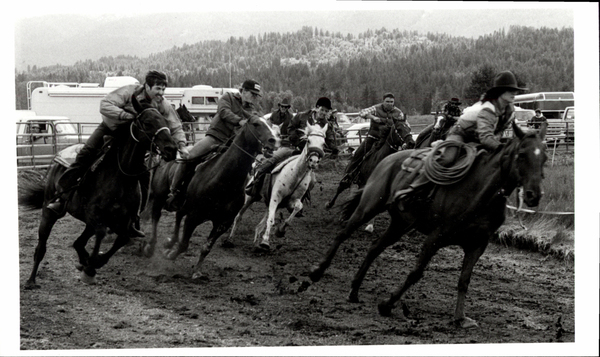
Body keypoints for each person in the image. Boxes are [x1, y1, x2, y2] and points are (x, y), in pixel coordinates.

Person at [47, 71, 189, 236]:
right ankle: (61, 197)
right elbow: (105, 104)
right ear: (147, 86)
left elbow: (175, 125)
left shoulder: (162, 104)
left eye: (164, 89)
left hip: (132, 138)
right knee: (86, 154)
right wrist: (127, 116)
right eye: (158, 88)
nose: (161, 93)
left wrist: (182, 145)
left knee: (144, 175)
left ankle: (133, 219)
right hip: (110, 128)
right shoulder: (128, 92)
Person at [396, 70, 528, 201]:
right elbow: (486, 137)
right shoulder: (488, 109)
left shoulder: (509, 110)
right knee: (448, 158)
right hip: (461, 134)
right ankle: (415, 187)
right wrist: (503, 148)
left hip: (480, 138)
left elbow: (499, 133)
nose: (514, 93)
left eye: (515, 90)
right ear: (500, 92)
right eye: (510, 90)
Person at [165, 79, 263, 211]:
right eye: (253, 94)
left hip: (232, 144)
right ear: (243, 91)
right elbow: (223, 112)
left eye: (257, 95)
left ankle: (236, 199)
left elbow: (255, 122)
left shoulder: (252, 110)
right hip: (215, 137)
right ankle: (174, 191)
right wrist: (239, 121)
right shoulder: (228, 97)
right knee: (189, 157)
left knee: (243, 170)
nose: (255, 97)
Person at [245, 97, 335, 201]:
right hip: (291, 147)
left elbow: (329, 139)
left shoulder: (326, 125)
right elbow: (290, 128)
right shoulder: (302, 116)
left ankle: (297, 199)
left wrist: (334, 148)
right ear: (316, 108)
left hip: (306, 155)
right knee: (271, 160)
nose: (323, 113)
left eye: (326, 111)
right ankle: (254, 186)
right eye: (322, 110)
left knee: (312, 181)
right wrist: (296, 141)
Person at [344, 92, 409, 177]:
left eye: (391, 102)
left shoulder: (398, 112)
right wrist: (373, 117)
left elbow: (407, 126)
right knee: (359, 153)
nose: (389, 104)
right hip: (373, 137)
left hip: (389, 140)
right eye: (387, 101)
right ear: (383, 101)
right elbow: (362, 113)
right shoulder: (376, 108)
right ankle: (348, 175)